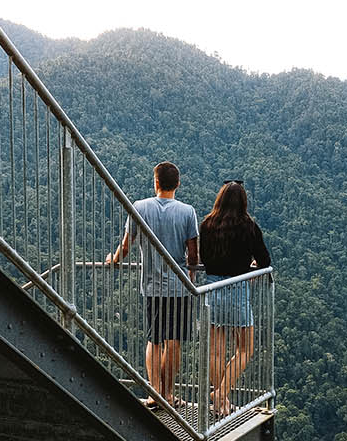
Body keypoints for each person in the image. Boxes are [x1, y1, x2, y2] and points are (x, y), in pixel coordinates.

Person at [106, 161, 200, 409]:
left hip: (152, 286)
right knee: (174, 341)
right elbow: (193, 256)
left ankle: (154, 394)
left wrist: (113, 260)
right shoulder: (187, 212)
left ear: (155, 182)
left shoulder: (140, 207)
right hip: (179, 287)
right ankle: (169, 395)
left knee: (154, 340)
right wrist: (190, 282)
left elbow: (126, 246)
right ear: (177, 184)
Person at [198, 179, 271, 417]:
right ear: (243, 202)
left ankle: (220, 400)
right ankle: (220, 395)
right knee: (244, 349)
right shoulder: (248, 226)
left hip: (213, 288)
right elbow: (264, 261)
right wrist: (250, 266)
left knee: (217, 352)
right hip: (238, 290)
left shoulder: (207, 225)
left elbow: (205, 260)